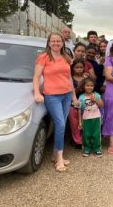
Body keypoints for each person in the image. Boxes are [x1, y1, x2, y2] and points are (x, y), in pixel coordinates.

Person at [33, 32, 78, 172]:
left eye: (58, 41)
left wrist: (74, 96)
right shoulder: (43, 57)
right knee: (60, 124)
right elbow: (36, 77)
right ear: (49, 42)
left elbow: (69, 78)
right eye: (53, 41)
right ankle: (59, 158)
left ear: (63, 43)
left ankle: (55, 154)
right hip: (52, 96)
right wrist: (37, 93)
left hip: (66, 95)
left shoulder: (66, 57)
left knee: (62, 125)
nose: (56, 43)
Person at [77, 78, 104, 157]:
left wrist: (95, 100)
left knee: (96, 134)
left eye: (91, 86)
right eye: (87, 85)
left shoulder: (96, 95)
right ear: (84, 86)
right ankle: (86, 149)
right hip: (86, 119)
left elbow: (102, 105)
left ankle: (97, 149)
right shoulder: (81, 97)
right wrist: (80, 121)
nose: (89, 87)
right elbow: (79, 110)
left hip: (96, 118)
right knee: (86, 135)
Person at [69, 59, 86, 148]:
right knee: (74, 123)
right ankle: (77, 140)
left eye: (81, 67)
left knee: (84, 122)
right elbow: (71, 92)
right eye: (77, 67)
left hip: (85, 104)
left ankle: (84, 139)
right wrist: (79, 87)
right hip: (73, 104)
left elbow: (90, 90)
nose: (79, 69)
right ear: (73, 68)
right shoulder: (70, 79)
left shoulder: (86, 78)